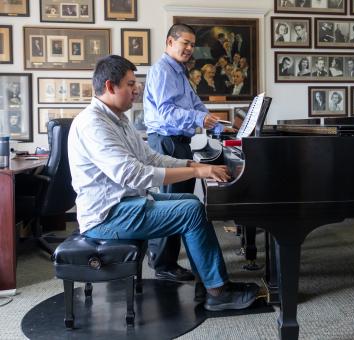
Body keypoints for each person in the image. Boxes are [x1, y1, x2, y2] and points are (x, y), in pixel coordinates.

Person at [71, 55, 259, 311]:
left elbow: (149, 157)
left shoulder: (118, 119)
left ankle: (209, 283)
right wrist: (198, 173)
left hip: (127, 202)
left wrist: (193, 165)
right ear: (109, 87)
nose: (136, 90)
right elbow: (134, 174)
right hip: (108, 216)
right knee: (191, 211)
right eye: (129, 84)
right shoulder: (93, 123)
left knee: (192, 201)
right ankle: (218, 292)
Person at [144, 24, 225, 283]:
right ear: (169, 41)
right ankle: (163, 264)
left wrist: (218, 122)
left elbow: (195, 105)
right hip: (167, 142)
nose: (190, 49)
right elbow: (167, 112)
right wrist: (202, 118)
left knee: (180, 199)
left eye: (192, 44)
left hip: (178, 141)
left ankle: (162, 257)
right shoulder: (163, 71)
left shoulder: (179, 72)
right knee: (171, 203)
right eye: (185, 43)